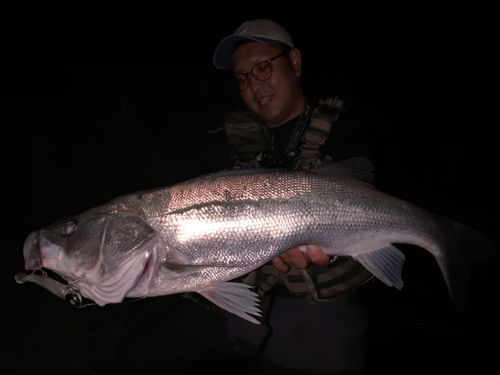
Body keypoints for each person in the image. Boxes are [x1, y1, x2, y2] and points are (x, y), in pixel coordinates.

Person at [206, 19, 374, 374]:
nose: (253, 85)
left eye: (263, 67)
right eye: (242, 77)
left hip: (319, 309)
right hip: (235, 296)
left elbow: (372, 199)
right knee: (144, 352)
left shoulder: (345, 132)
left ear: (295, 62)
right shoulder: (226, 143)